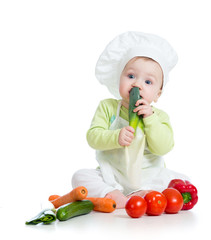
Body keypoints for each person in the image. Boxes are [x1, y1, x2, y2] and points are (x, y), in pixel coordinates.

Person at [72, 31, 188, 208]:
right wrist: (115, 137)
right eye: (131, 76)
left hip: (149, 177)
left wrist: (150, 119)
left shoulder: (160, 117)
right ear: (119, 78)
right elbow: (93, 137)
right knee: (79, 177)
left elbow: (164, 147)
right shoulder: (108, 106)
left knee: (183, 181)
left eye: (148, 82)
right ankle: (112, 194)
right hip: (112, 176)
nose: (137, 84)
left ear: (158, 94)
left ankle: (143, 193)